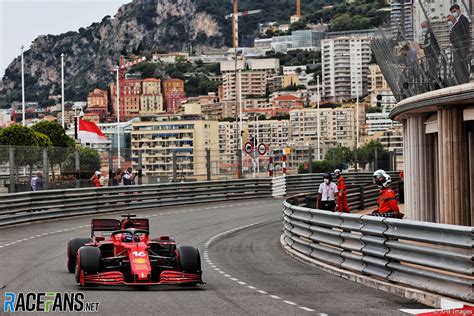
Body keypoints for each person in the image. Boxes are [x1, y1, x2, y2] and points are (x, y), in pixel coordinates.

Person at [449, 4, 471, 84]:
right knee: (460, 65)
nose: (453, 13)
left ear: (459, 10)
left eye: (454, 11)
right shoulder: (457, 21)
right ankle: (461, 80)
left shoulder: (463, 19)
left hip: (462, 47)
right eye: (452, 12)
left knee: (463, 64)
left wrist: (462, 45)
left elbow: (464, 34)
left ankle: (465, 80)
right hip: (458, 47)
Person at [419, 20, 441, 86]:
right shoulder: (427, 33)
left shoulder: (429, 32)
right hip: (430, 55)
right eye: (422, 27)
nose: (423, 29)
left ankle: (435, 82)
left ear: (427, 25)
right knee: (431, 69)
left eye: (423, 27)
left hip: (433, 54)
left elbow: (430, 43)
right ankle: (434, 81)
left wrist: (422, 46)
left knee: (432, 69)